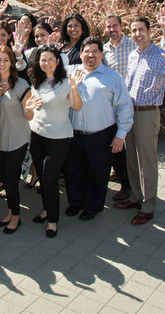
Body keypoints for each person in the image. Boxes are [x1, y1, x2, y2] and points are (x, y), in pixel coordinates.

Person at [113, 16, 165, 226]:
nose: (137, 34)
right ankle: (136, 197)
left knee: (147, 161)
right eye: (134, 30)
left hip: (147, 114)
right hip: (129, 114)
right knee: (131, 160)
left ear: (149, 31)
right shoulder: (133, 54)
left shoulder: (160, 55)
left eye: (141, 30)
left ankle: (149, 205)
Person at [65, 37, 133, 221]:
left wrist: (121, 135)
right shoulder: (71, 73)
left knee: (98, 174)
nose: (91, 55)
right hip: (74, 135)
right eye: (87, 51)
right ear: (80, 54)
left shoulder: (112, 77)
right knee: (74, 172)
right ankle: (75, 203)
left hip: (101, 136)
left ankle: (93, 207)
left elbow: (125, 107)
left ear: (102, 55)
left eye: (95, 51)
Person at [28, 45, 83, 238]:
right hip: (36, 135)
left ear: (58, 61)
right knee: (42, 177)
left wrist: (74, 88)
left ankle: (52, 220)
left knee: (50, 178)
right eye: (43, 59)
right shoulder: (37, 80)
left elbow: (76, 106)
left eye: (51, 59)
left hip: (59, 138)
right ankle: (46, 210)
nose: (47, 63)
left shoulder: (66, 82)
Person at [0, 46, 41, 233]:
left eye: (6, 59)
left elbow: (29, 117)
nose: (2, 63)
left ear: (12, 62)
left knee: (11, 181)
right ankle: (10, 212)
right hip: (0, 140)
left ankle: (16, 217)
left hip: (17, 139)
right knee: (5, 178)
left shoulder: (21, 85)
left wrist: (29, 108)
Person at [102, 13, 136, 202]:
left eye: (115, 26)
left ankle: (128, 186)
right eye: (108, 27)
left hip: (129, 104)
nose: (112, 30)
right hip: (111, 104)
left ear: (122, 26)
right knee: (115, 145)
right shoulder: (104, 49)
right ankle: (119, 173)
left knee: (126, 147)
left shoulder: (133, 46)